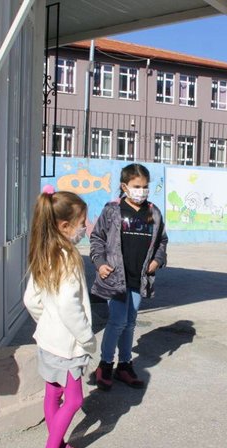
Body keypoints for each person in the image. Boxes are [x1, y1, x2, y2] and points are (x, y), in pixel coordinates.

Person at [24, 187, 96, 448]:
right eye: (82, 224)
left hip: (48, 341)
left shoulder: (46, 251)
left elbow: (31, 300)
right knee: (75, 399)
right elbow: (69, 305)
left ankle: (59, 445)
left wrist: (47, 323)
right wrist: (86, 338)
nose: (84, 229)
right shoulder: (68, 257)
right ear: (65, 226)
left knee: (53, 393)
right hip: (68, 346)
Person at [90, 163, 168, 391]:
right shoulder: (112, 210)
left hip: (139, 278)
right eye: (136, 186)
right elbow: (97, 238)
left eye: (145, 187)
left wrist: (157, 261)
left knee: (130, 322)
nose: (141, 191)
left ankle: (124, 365)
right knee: (117, 321)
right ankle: (105, 365)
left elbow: (162, 240)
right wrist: (100, 263)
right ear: (124, 186)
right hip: (115, 278)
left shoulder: (153, 211)